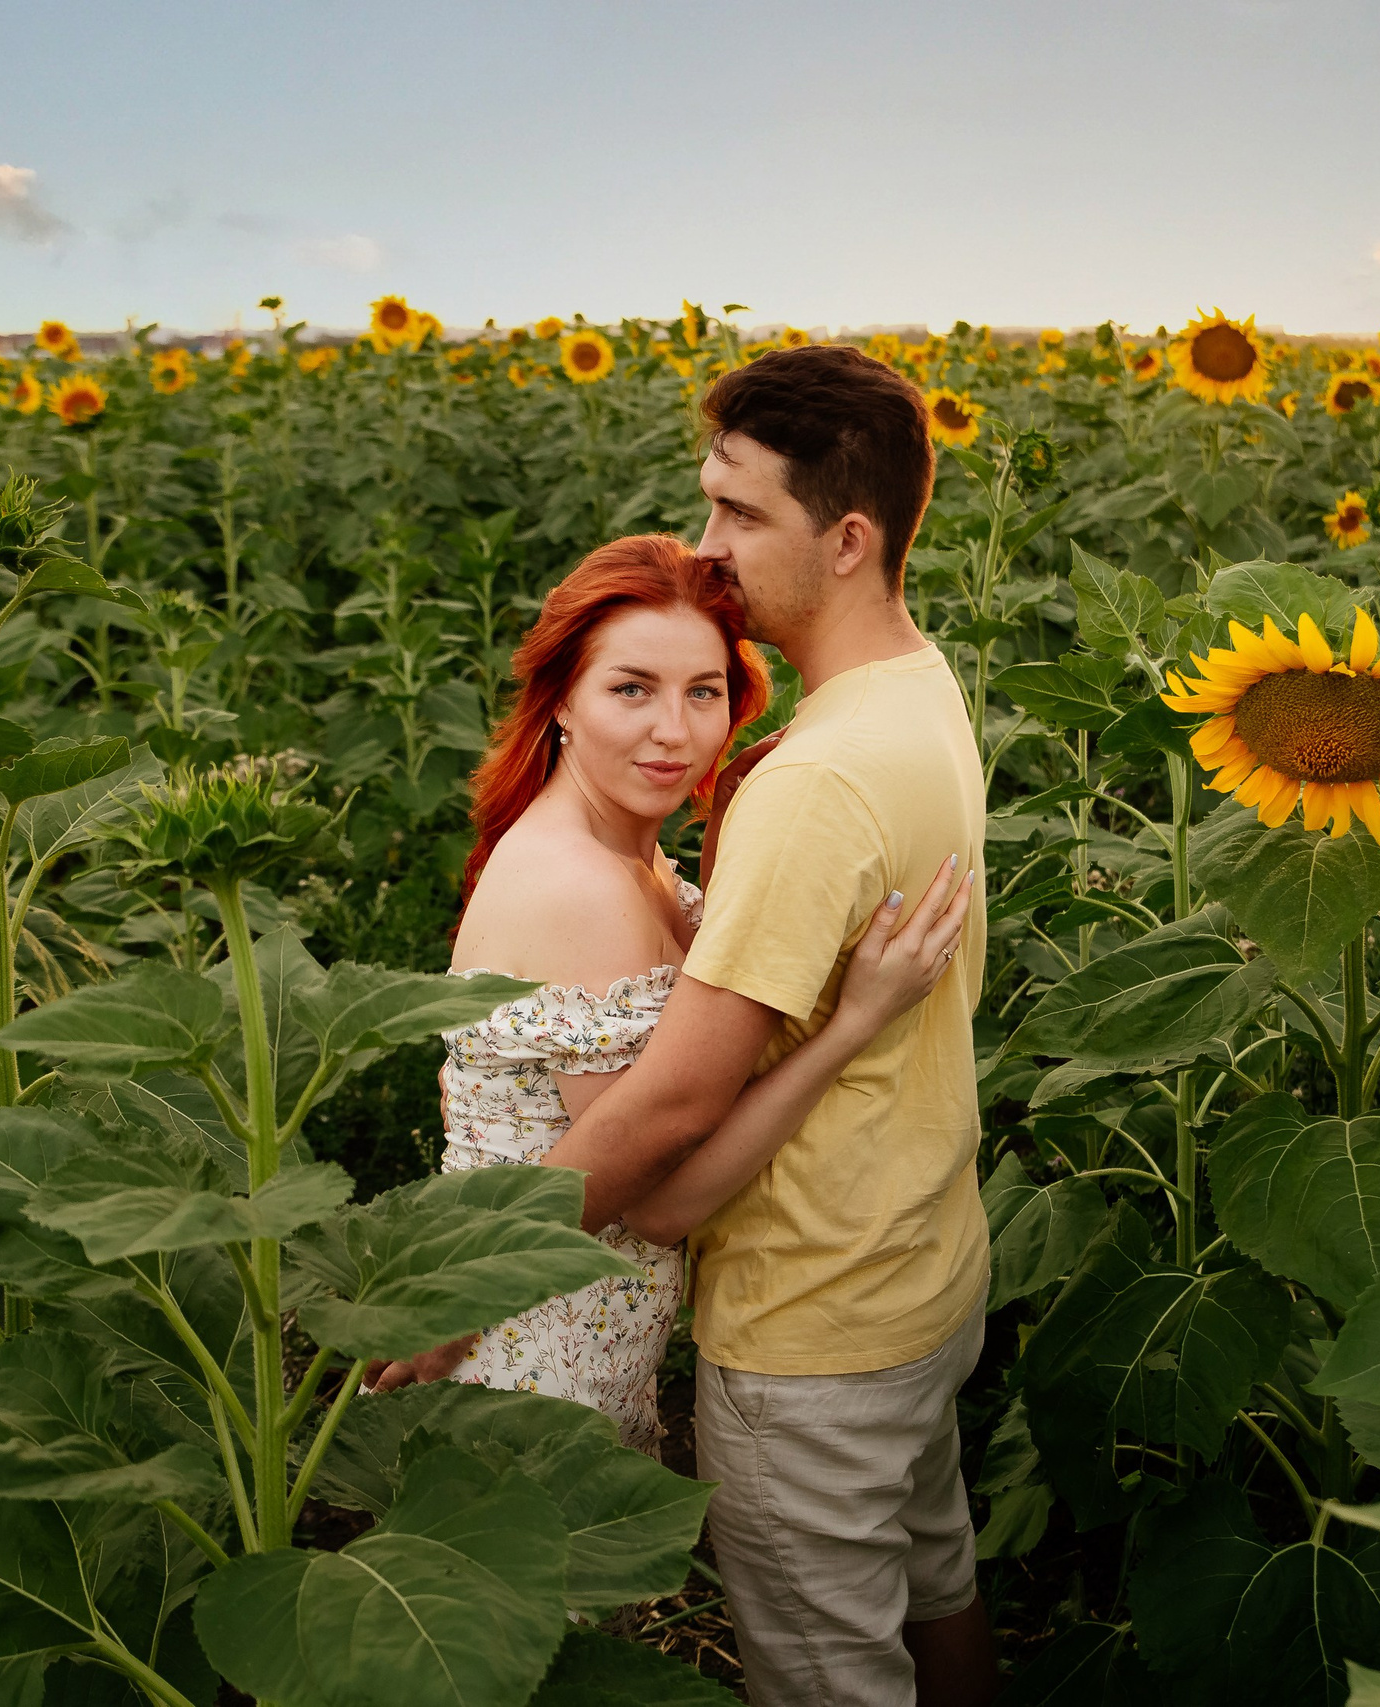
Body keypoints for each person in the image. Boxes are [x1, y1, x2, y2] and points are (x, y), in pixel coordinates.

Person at [546, 345, 1001, 1707]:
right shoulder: (918, 688)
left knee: (828, 1673)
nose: (707, 549)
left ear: (848, 538)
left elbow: (672, 1111)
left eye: (741, 513)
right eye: (708, 505)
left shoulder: (816, 780)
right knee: (939, 1587)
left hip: (811, 1324)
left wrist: (454, 1273)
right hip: (921, 1263)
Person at [429, 532, 974, 1456]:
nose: (674, 732)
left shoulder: (621, 856)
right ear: (561, 697)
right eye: (631, 688)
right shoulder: (582, 889)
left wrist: (729, 825)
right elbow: (665, 1203)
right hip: (531, 1359)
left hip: (565, 1332)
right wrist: (852, 1026)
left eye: (704, 692)